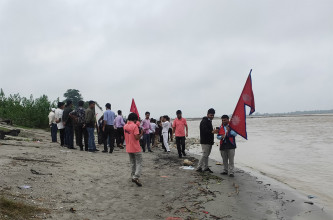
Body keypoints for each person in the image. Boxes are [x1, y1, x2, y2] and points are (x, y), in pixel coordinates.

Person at [124, 113, 144, 187]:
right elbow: (136, 137)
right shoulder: (134, 126)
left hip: (129, 147)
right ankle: (136, 177)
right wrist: (141, 134)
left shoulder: (125, 126)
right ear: (135, 119)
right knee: (139, 162)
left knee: (132, 162)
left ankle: (133, 175)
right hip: (135, 147)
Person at [196, 108, 219, 173]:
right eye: (211, 115)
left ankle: (205, 167)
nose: (212, 116)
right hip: (205, 141)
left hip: (209, 141)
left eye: (213, 115)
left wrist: (213, 131)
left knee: (206, 155)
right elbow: (204, 131)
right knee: (204, 155)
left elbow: (209, 131)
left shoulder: (208, 121)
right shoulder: (204, 121)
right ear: (207, 114)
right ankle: (199, 167)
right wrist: (212, 131)